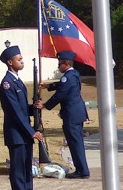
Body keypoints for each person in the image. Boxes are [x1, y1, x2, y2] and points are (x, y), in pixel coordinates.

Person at [0, 45, 47, 190]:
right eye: (19, 59)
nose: (22, 61)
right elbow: (15, 112)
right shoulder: (7, 83)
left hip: (24, 133)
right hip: (17, 133)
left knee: (26, 167)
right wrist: (31, 131)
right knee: (18, 169)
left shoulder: (17, 81)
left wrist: (34, 108)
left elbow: (22, 108)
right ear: (10, 62)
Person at [38, 50, 90, 179]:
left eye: (60, 63)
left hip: (71, 114)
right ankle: (82, 169)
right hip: (77, 113)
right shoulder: (73, 74)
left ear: (66, 64)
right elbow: (62, 85)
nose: (58, 66)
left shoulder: (68, 77)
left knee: (74, 142)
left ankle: (82, 171)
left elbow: (60, 94)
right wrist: (48, 86)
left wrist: (45, 105)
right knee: (76, 142)